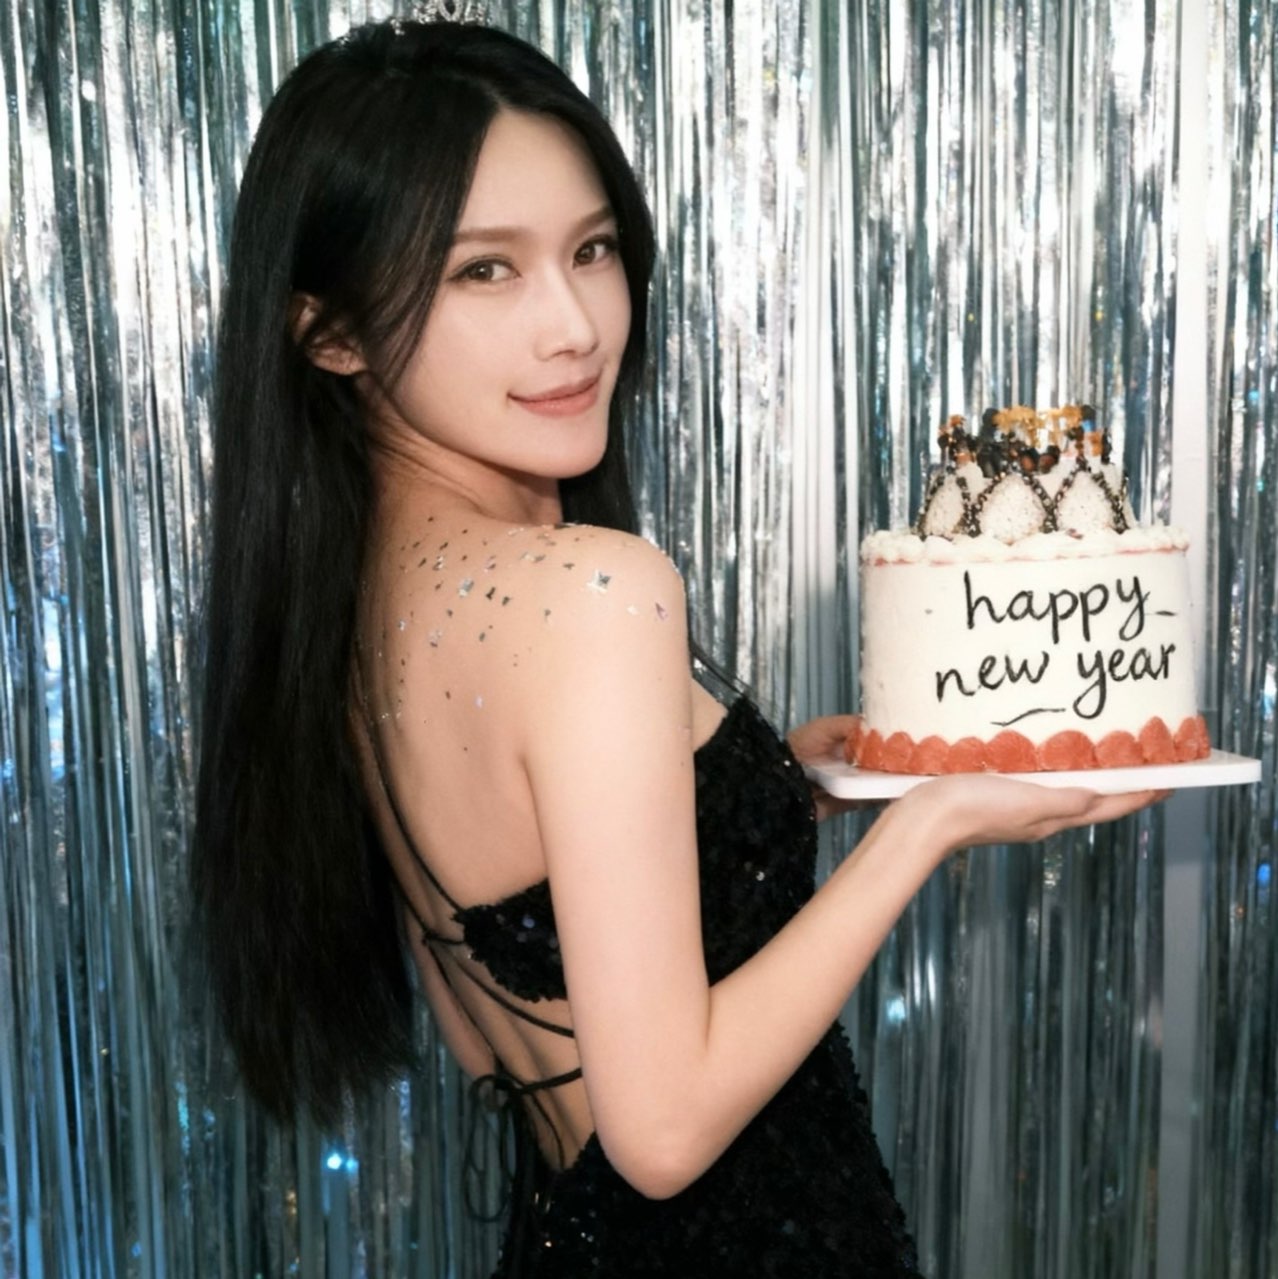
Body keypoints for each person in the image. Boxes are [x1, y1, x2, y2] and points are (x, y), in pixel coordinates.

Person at [191, 18, 1164, 1277]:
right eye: (483, 270)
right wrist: (925, 828)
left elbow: (498, 1012)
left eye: (592, 250)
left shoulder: (351, 603)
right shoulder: (590, 591)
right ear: (329, 333)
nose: (574, 326)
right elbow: (658, 1135)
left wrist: (764, 796)